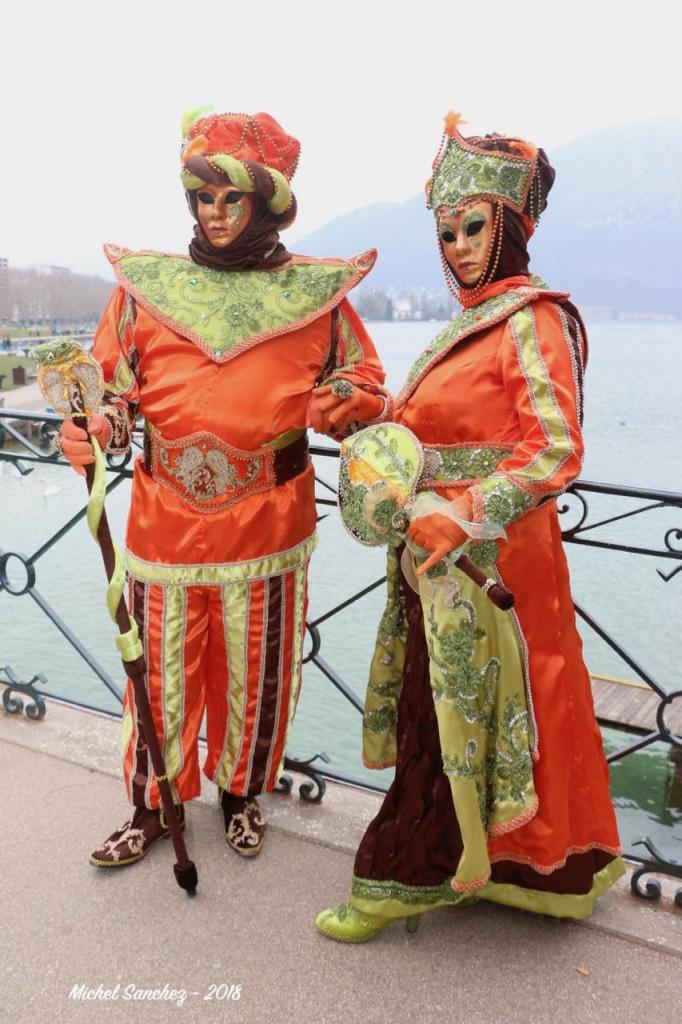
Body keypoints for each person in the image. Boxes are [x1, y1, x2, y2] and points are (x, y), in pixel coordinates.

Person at [315, 112, 624, 941]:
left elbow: (555, 449)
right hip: (436, 559)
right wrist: (370, 414)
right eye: (445, 231)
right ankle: (482, 866)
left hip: (500, 564)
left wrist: (469, 511)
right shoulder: (469, 323)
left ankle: (404, 875)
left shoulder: (534, 319)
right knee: (445, 709)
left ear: (513, 226)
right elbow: (436, 432)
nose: (455, 246)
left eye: (473, 226)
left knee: (494, 703)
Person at [59, 109, 387, 866]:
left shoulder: (318, 300)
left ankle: (241, 792)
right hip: (163, 518)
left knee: (258, 670)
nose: (214, 213)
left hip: (269, 524)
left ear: (265, 204)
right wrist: (94, 426)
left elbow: (365, 385)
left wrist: (349, 403)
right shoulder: (143, 294)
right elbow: (109, 391)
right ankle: (154, 800)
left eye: (231, 198)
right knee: (160, 671)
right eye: (203, 198)